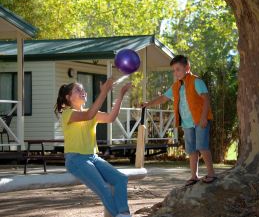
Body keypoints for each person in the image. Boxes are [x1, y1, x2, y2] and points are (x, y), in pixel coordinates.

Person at [54, 78, 132, 217]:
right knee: (104, 188)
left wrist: (120, 95)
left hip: (93, 157)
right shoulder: (67, 114)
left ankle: (124, 213)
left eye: (83, 89)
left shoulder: (92, 113)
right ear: (68, 97)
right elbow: (88, 115)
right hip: (76, 159)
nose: (82, 91)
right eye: (77, 90)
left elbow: (110, 118)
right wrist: (104, 92)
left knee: (121, 179)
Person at [142, 55, 217, 186]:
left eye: (178, 69)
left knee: (202, 146)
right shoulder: (176, 86)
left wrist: (204, 117)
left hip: (200, 120)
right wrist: (148, 104)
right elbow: (164, 98)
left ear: (187, 68)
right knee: (191, 149)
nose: (175, 73)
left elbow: (206, 99)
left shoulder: (196, 81)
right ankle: (194, 176)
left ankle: (211, 173)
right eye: (174, 70)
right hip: (187, 123)